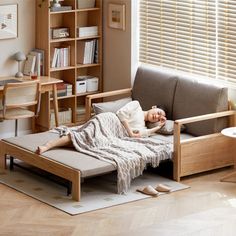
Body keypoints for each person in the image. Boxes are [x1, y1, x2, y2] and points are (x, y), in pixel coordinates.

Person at [36, 100, 166, 154]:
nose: (157, 116)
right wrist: (130, 132)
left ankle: (57, 144)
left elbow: (144, 134)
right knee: (84, 135)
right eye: (158, 113)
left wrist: (158, 127)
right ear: (154, 107)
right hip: (110, 120)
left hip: (114, 133)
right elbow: (120, 114)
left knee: (89, 141)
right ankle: (48, 145)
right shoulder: (136, 105)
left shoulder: (142, 126)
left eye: (159, 118)